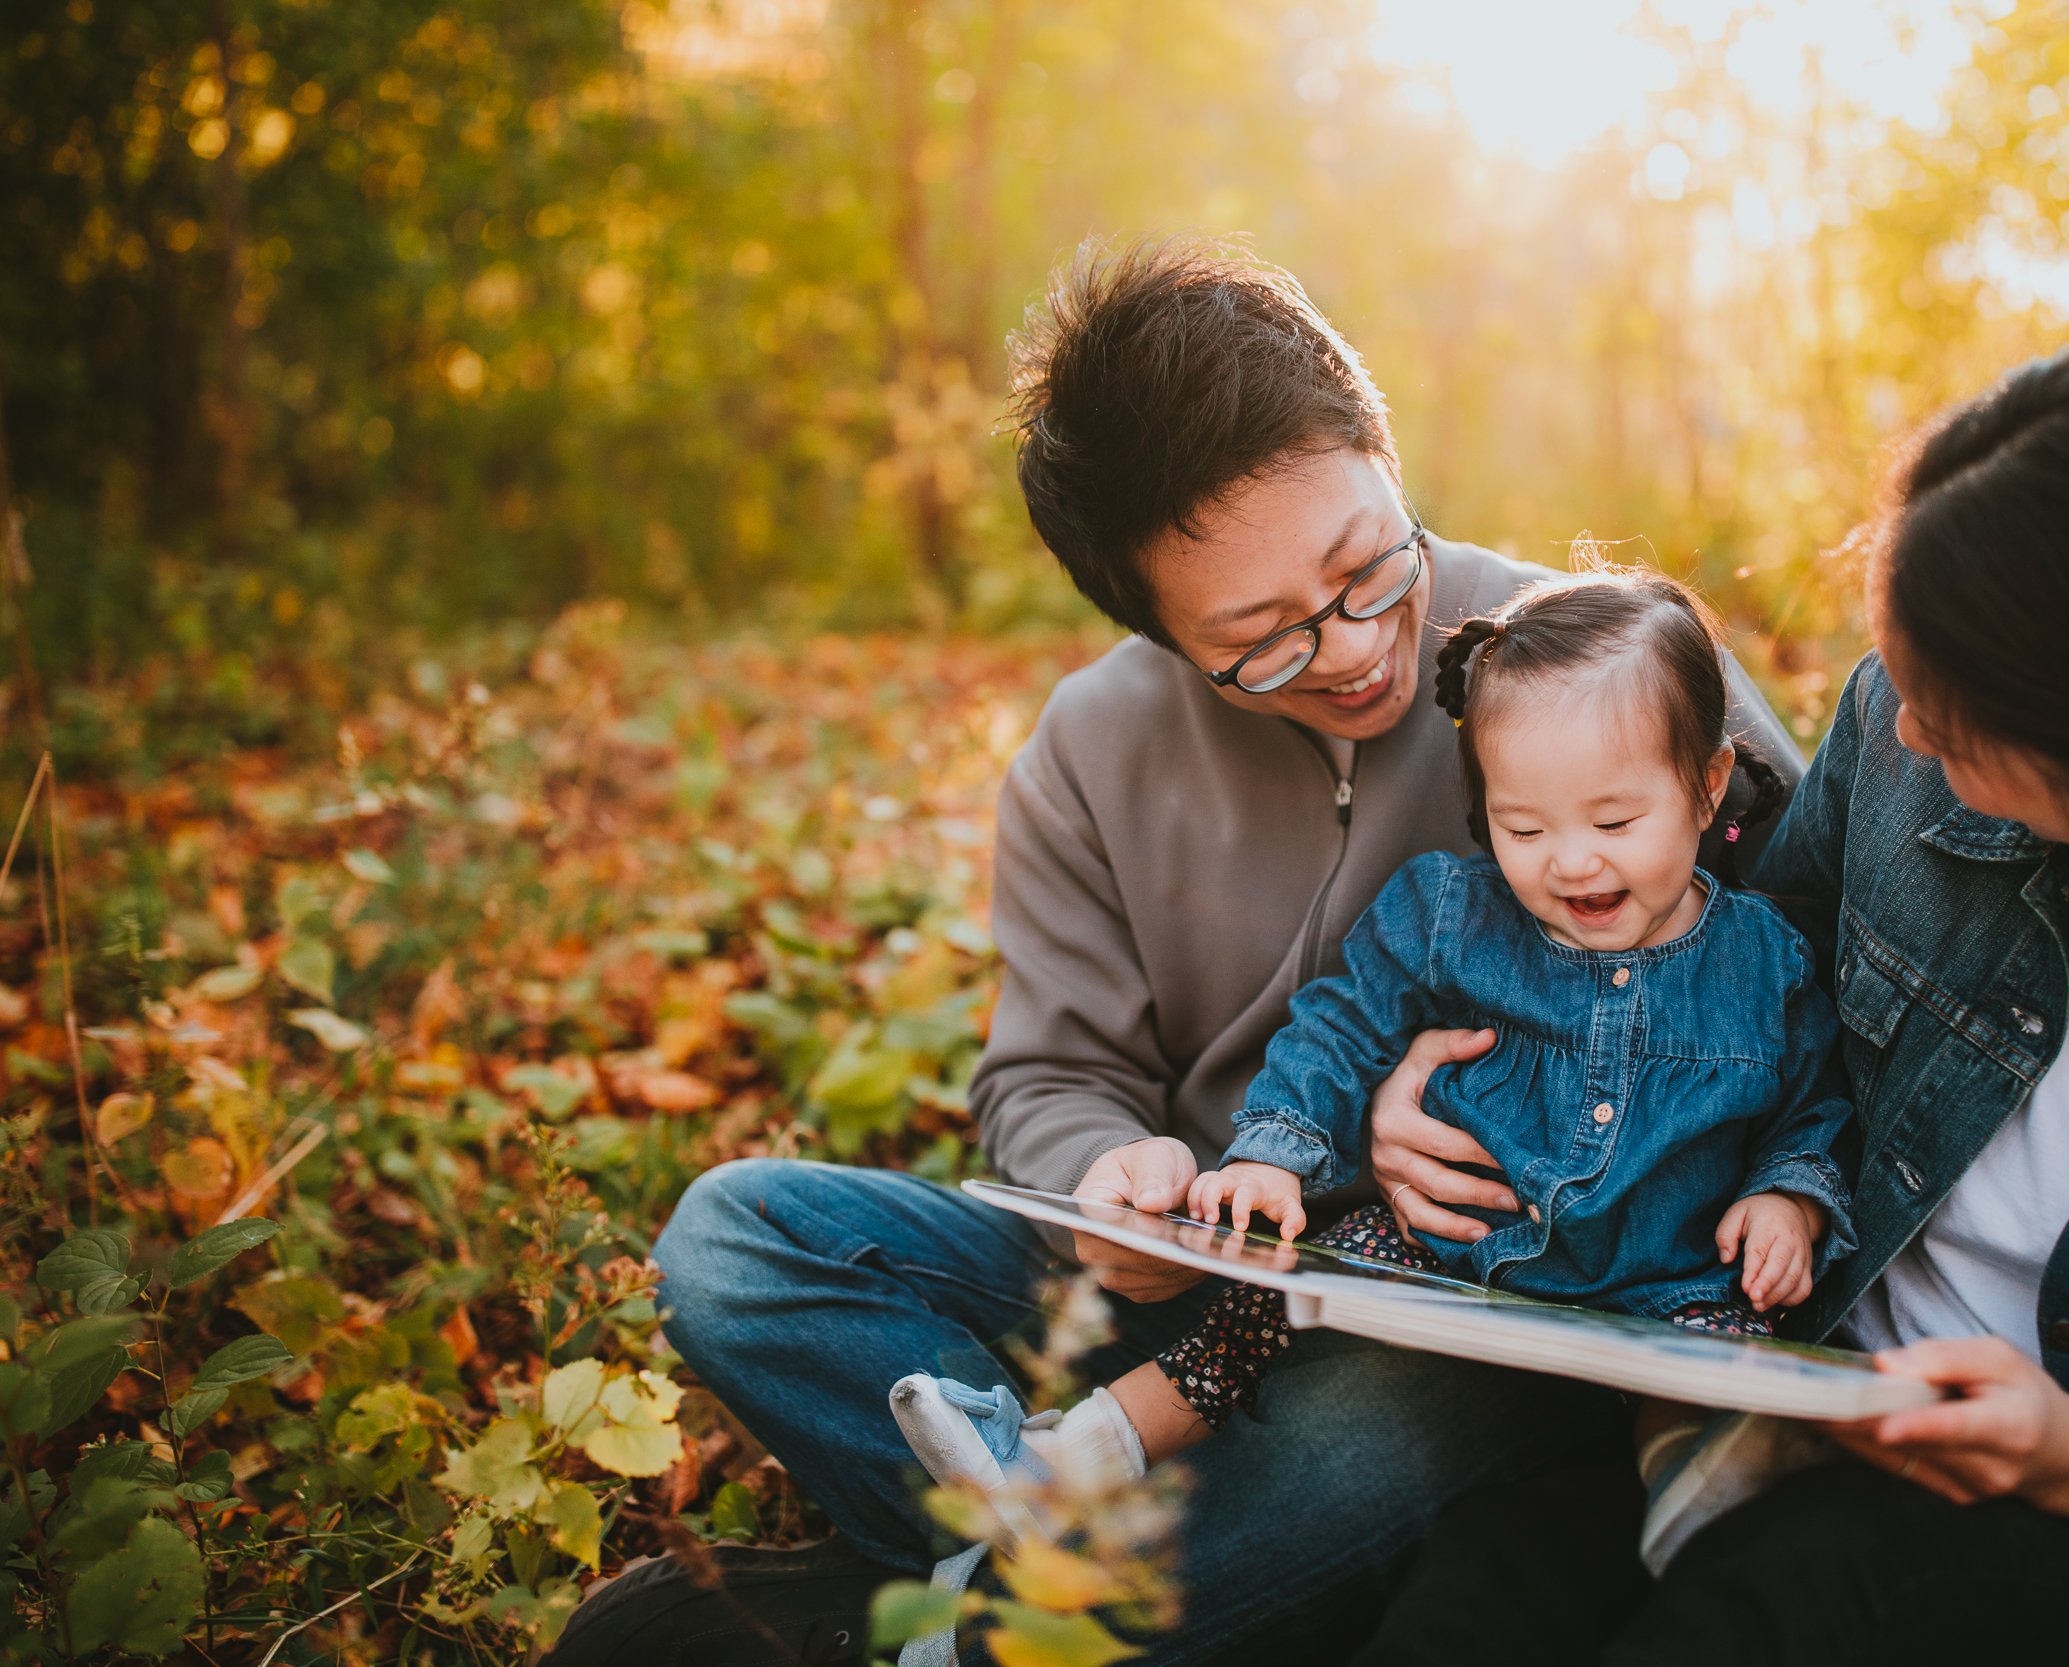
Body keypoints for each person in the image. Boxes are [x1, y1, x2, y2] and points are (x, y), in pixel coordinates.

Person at [545, 239, 1800, 1667]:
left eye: (1364, 564)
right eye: (1258, 639)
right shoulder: (1093, 748)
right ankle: (1108, 1559)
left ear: (1380, 449)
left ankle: (959, 1622)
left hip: (1475, 1310)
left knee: (1380, 1442)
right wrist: (1106, 1186)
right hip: (1197, 1291)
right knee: (734, 1242)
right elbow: (1050, 1071)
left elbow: (1810, 971)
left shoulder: (1609, 667)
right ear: (1153, 628)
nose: (1349, 650)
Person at [1351, 334, 2069, 1667]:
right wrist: (1452, 1094)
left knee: (1783, 1603)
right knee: (1482, 1597)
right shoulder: (1901, 734)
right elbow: (1720, 1003)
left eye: (1958, 718)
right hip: (1802, 1391)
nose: (1902, 735)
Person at [888, 569, 1848, 1505]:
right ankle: (1078, 1457)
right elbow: (1337, 1032)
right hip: (1456, 1250)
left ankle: (1691, 1509)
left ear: (1710, 783)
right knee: (1269, 1300)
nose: (1571, 860)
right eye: (1521, 827)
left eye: (1616, 818)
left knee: (1739, 1370)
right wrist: (1272, 1156)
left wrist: (1788, 1195)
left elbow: (1812, 1100)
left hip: (1672, 1280)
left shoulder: (1766, 962)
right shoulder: (1449, 915)